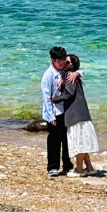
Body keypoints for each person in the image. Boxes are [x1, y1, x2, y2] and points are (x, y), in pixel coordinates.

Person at [56, 53, 99, 177]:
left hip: (75, 114)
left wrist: (54, 99)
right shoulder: (74, 75)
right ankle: (89, 167)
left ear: (72, 65)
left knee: (79, 143)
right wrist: (78, 72)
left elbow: (68, 94)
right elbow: (81, 72)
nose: (65, 63)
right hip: (82, 113)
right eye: (65, 60)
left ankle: (79, 169)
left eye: (68, 62)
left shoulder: (69, 76)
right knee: (83, 141)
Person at [41, 47, 72, 178]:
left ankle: (67, 165)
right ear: (53, 60)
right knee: (54, 140)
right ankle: (52, 167)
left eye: (64, 59)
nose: (62, 62)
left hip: (65, 110)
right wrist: (50, 116)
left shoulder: (64, 72)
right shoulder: (48, 75)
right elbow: (46, 97)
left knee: (66, 139)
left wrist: (76, 72)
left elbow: (81, 70)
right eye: (59, 60)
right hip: (53, 112)